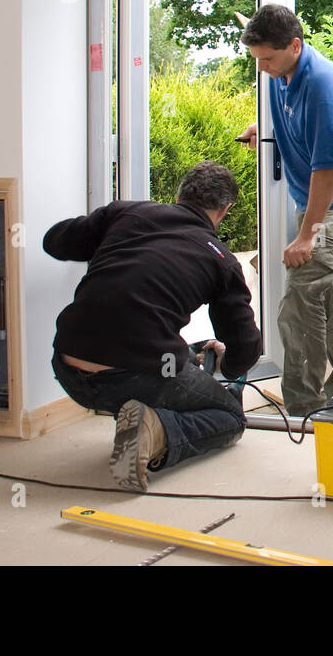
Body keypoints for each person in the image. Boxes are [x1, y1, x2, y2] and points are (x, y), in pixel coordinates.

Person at [44, 160, 261, 492]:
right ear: (225, 209)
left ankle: (143, 412)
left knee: (176, 353)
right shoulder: (221, 260)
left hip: (68, 367)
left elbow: (54, 241)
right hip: (133, 376)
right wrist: (228, 367)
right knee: (231, 416)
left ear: (180, 193)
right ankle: (156, 429)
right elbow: (246, 349)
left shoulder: (126, 213)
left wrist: (105, 228)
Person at [236, 4, 333, 417]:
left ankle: (303, 408)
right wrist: (264, 130)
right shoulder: (281, 74)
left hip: (332, 209)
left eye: (267, 59)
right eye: (256, 59)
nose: (261, 68)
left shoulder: (319, 82)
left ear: (295, 46)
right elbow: (295, 123)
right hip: (322, 207)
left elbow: (331, 166)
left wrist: (308, 234)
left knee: (297, 310)